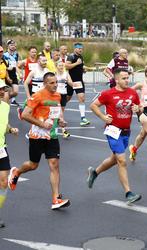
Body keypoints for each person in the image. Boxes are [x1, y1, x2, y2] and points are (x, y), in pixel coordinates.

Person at [8, 72, 70, 210]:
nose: (55, 85)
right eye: (51, 83)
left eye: (56, 83)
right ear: (45, 83)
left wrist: (60, 120)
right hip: (37, 135)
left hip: (52, 135)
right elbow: (24, 115)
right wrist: (42, 124)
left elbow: (56, 111)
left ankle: (56, 199)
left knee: (54, 164)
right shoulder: (37, 96)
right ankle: (17, 172)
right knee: (33, 165)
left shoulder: (57, 95)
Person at [86, 69, 142, 204]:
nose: (127, 80)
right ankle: (128, 193)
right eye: (123, 78)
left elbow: (139, 107)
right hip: (113, 131)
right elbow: (93, 105)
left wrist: (138, 109)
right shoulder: (108, 93)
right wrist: (103, 117)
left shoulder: (132, 93)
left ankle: (95, 172)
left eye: (128, 78)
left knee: (114, 159)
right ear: (116, 80)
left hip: (125, 131)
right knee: (122, 161)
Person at [0, 80, 18, 228]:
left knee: (4, 182)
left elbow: (4, 124)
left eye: (3, 89)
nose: (2, 92)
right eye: (0, 89)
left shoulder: (5, 107)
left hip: (1, 149)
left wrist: (10, 130)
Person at [65, 43, 90, 126]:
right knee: (67, 99)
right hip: (70, 81)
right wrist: (76, 63)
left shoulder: (81, 57)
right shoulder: (71, 56)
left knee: (82, 98)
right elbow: (67, 66)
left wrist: (83, 70)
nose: (80, 50)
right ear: (75, 49)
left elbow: (79, 66)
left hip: (79, 81)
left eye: (81, 48)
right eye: (79, 48)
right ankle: (58, 113)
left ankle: (83, 118)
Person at [56, 60, 73, 138]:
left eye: (62, 66)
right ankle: (64, 131)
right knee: (60, 113)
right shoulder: (54, 74)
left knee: (61, 111)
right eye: (59, 66)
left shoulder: (66, 74)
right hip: (56, 95)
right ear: (56, 66)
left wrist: (74, 85)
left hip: (63, 94)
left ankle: (57, 121)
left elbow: (70, 82)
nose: (61, 67)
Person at [3, 40, 20, 106]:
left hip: (13, 74)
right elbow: (3, 66)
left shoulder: (16, 54)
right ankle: (4, 100)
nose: (13, 47)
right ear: (8, 46)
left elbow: (16, 64)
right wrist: (7, 68)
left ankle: (4, 100)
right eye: (11, 45)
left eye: (14, 45)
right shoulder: (4, 55)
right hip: (6, 74)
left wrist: (19, 73)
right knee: (6, 91)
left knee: (15, 92)